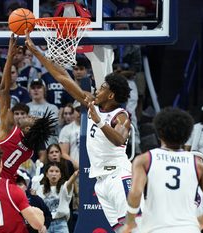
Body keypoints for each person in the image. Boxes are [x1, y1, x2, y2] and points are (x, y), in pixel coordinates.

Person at [25, 31, 133, 232]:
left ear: (110, 94)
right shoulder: (91, 103)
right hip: (100, 181)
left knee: (132, 227)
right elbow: (62, 76)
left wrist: (99, 122)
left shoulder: (121, 115)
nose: (97, 90)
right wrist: (36, 52)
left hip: (118, 176)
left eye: (102, 88)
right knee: (119, 229)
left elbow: (119, 139)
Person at [123, 107, 203, 233]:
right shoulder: (197, 163)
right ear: (187, 134)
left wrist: (130, 222)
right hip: (188, 228)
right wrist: (199, 222)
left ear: (159, 132)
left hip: (156, 227)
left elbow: (135, 193)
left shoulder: (145, 159)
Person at [0, 34, 56, 183]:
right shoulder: (29, 151)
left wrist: (10, 56)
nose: (28, 116)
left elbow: (3, 89)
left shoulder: (10, 130)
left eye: (31, 119)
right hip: (7, 184)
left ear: (28, 129)